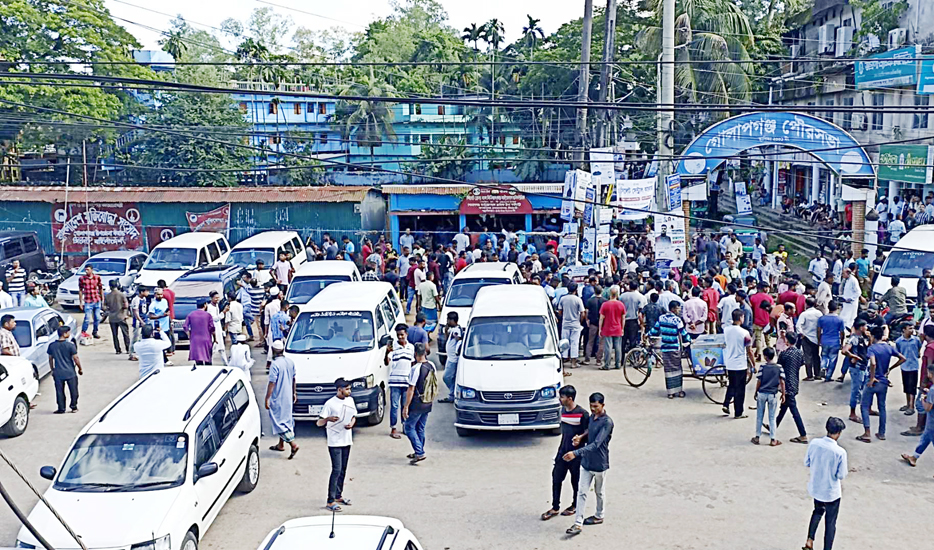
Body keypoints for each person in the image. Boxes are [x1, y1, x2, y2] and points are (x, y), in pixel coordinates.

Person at [564, 392, 613, 536]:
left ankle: (599, 515)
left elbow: (597, 444)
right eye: (591, 406)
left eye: (596, 406)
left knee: (599, 491)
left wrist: (576, 453)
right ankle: (578, 523)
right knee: (582, 492)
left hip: (599, 463)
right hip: (587, 462)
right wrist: (581, 437)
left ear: (603, 405)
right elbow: (589, 432)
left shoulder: (607, 422)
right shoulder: (592, 418)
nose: (593, 409)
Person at [541, 385, 589, 521]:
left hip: (576, 454)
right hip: (562, 451)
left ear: (570, 398)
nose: (559, 399)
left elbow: (589, 430)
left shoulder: (583, 414)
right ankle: (555, 507)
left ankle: (574, 505)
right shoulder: (563, 411)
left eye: (562, 397)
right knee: (556, 478)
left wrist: (580, 437)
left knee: (575, 481)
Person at [804, 417, 848, 550]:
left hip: (817, 487)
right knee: (830, 523)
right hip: (831, 492)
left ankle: (810, 539)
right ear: (839, 433)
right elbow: (841, 475)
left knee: (817, 511)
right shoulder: (840, 452)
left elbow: (807, 462)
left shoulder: (814, 443)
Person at [858, 325, 905, 442]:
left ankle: (867, 432)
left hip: (873, 381)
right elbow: (903, 358)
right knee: (882, 407)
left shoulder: (872, 348)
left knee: (864, 406)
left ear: (873, 336)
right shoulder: (888, 347)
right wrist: (890, 369)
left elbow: (873, 363)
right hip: (883, 381)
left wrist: (872, 378)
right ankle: (881, 433)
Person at [318, 377, 356, 512]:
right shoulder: (330, 404)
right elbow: (319, 422)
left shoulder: (350, 401)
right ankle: (330, 500)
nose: (349, 391)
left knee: (343, 469)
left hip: (347, 439)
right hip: (335, 441)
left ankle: (338, 495)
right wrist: (328, 419)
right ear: (339, 390)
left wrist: (351, 423)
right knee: (336, 469)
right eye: (347, 389)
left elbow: (353, 416)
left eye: (350, 389)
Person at [649, 301, 692, 399]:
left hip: (665, 349)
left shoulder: (661, 318)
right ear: (673, 309)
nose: (679, 310)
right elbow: (683, 333)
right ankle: (679, 391)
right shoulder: (677, 320)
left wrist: (648, 335)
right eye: (678, 308)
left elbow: (654, 330)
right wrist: (689, 341)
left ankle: (670, 392)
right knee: (677, 369)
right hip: (674, 348)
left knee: (668, 370)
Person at [403, 343, 434, 465]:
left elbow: (411, 389)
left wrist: (406, 406)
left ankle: (419, 452)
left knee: (409, 427)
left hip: (417, 403)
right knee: (420, 427)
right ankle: (418, 450)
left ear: (415, 354)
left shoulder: (416, 369)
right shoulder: (431, 366)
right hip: (428, 401)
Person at [776, 333, 808, 443]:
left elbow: (779, 369)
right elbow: (801, 363)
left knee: (794, 410)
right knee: (784, 406)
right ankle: (774, 425)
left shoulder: (784, 354)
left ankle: (803, 434)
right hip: (794, 382)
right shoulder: (799, 353)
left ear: (787, 341)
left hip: (787, 383)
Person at [901, 364, 934, 468]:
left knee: (929, 437)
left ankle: (914, 457)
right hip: (930, 422)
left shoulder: (933, 390)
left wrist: (924, 399)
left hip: (932, 420)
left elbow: (928, 408)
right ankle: (914, 457)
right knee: (925, 438)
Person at [722, 309, 753, 418]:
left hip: (730, 362)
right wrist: (753, 364)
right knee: (740, 389)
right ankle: (738, 412)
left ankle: (726, 403)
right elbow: (749, 350)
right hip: (740, 364)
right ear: (741, 318)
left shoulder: (726, 330)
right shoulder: (745, 333)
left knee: (732, 384)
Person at [751, 347, 785, 446]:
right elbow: (782, 382)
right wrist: (783, 394)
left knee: (759, 416)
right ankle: (773, 439)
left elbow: (759, 381)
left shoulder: (762, 367)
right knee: (772, 417)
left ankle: (757, 437)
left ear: (765, 357)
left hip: (762, 393)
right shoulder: (779, 367)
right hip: (773, 394)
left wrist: (756, 392)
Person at [386, 323, 415, 439]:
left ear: (406, 334)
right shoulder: (393, 347)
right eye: (398, 335)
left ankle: (404, 426)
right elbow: (387, 362)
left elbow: (413, 364)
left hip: (406, 381)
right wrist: (386, 352)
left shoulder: (411, 347)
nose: (400, 337)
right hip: (395, 382)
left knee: (405, 406)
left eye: (402, 335)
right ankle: (393, 428)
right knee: (394, 406)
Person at [841, 319, 870, 423]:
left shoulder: (863, 338)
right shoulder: (854, 338)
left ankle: (865, 409)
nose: (867, 328)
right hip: (857, 368)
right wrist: (854, 356)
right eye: (865, 326)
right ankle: (852, 413)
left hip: (863, 366)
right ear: (861, 327)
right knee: (856, 391)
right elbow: (844, 350)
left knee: (863, 389)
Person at [48, 325, 82, 413]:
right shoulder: (70, 345)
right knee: (73, 391)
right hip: (70, 372)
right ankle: (73, 407)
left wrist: (52, 369)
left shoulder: (52, 346)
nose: (69, 334)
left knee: (59, 391)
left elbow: (50, 359)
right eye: (68, 332)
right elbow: (76, 358)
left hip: (58, 372)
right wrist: (80, 368)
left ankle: (61, 408)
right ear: (65, 334)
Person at [558, 282, 586, 372]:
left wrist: (564, 317)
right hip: (575, 324)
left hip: (565, 323)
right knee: (574, 342)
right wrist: (579, 321)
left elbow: (560, 311)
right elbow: (582, 313)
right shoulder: (578, 300)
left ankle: (564, 359)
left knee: (564, 342)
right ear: (576, 289)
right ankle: (573, 362)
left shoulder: (563, 299)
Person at [895, 324, 922, 417]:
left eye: (912, 328)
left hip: (913, 366)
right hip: (904, 366)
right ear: (904, 330)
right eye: (909, 328)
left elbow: (919, 348)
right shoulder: (899, 341)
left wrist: (917, 354)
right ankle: (908, 404)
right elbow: (898, 353)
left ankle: (911, 406)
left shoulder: (916, 340)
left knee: (912, 387)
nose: (912, 330)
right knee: (906, 386)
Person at [598, 286, 625, 370]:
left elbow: (601, 318)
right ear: (617, 294)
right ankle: (618, 364)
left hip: (607, 328)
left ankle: (607, 364)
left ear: (609, 294)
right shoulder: (621, 304)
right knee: (618, 347)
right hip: (618, 328)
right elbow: (623, 318)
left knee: (608, 348)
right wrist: (622, 328)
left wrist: (600, 329)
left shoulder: (605, 304)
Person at [817, 301, 845, 381]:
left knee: (824, 356)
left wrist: (819, 340)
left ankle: (823, 367)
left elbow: (819, 330)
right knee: (833, 359)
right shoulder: (840, 319)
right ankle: (828, 376)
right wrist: (841, 343)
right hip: (835, 341)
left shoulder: (822, 318)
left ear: (828, 308)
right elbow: (842, 333)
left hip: (824, 340)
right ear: (837, 308)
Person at [439, 311, 463, 403]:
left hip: (453, 359)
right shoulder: (453, 329)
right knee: (452, 377)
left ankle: (453, 392)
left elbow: (458, 338)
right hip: (450, 357)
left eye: (448, 319)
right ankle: (451, 395)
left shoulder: (456, 330)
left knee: (446, 377)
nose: (447, 321)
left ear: (453, 320)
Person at [184, 298, 215, 366]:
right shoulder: (208, 315)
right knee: (208, 360)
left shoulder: (191, 314)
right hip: (206, 339)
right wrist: (215, 339)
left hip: (195, 340)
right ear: (205, 305)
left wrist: (189, 334)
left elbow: (185, 326)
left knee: (198, 361)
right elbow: (212, 328)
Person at [104, 280, 130, 355]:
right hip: (121, 316)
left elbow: (104, 307)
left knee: (115, 335)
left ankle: (117, 349)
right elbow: (126, 305)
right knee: (125, 333)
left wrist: (109, 309)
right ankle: (128, 348)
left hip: (112, 317)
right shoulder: (122, 295)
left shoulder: (108, 295)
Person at [749, 282, 774, 360]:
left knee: (758, 338)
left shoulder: (753, 297)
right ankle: (771, 354)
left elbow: (751, 309)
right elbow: (772, 309)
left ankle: (759, 354)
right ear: (764, 288)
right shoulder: (769, 297)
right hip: (767, 321)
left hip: (757, 320)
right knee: (768, 338)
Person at [78, 264, 103, 338]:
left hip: (97, 300)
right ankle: (83, 332)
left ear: (92, 270)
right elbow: (80, 290)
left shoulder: (97, 278)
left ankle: (95, 332)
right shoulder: (82, 279)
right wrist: (80, 302)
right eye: (85, 270)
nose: (86, 271)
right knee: (87, 319)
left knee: (97, 318)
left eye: (88, 269)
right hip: (88, 301)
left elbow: (100, 288)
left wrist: (102, 298)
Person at [149, 287, 172, 364]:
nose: (160, 296)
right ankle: (164, 360)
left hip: (166, 326)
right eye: (158, 294)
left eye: (161, 294)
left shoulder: (165, 301)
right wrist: (162, 316)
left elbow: (167, 311)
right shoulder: (153, 305)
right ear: (155, 295)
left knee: (166, 343)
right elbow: (151, 316)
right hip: (158, 327)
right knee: (160, 344)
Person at [129, 287, 150, 361]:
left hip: (144, 319)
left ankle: (140, 353)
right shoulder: (136, 300)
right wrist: (141, 321)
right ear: (141, 292)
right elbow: (135, 312)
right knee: (136, 337)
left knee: (142, 338)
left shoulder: (144, 299)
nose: (148, 293)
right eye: (146, 291)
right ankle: (132, 353)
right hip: (138, 321)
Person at [156, 279, 176, 354]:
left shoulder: (163, 294)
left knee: (167, 332)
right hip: (171, 313)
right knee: (171, 332)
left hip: (166, 315)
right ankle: (172, 349)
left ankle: (169, 349)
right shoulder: (171, 292)